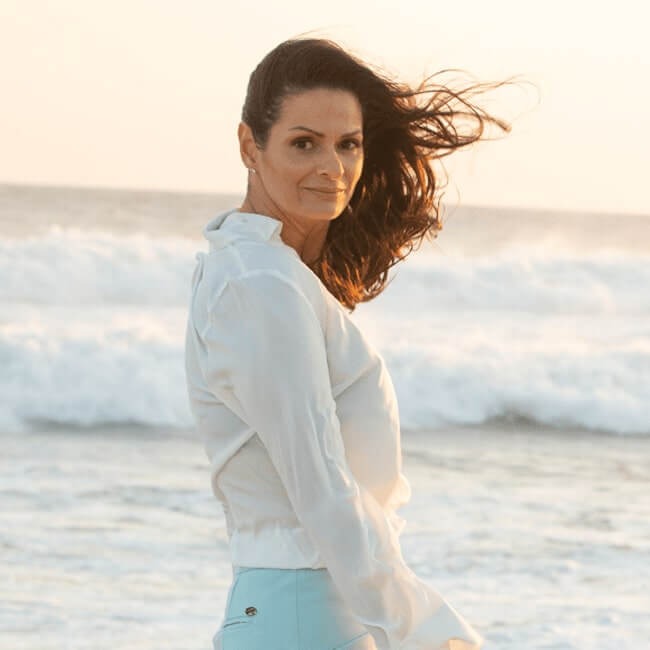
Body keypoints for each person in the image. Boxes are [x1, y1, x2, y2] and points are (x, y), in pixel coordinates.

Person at [185, 37, 511, 650]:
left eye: (348, 144)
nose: (331, 166)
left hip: (309, 613)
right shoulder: (260, 283)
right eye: (303, 143)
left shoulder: (264, 272)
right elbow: (321, 484)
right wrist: (425, 626)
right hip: (305, 616)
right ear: (250, 145)